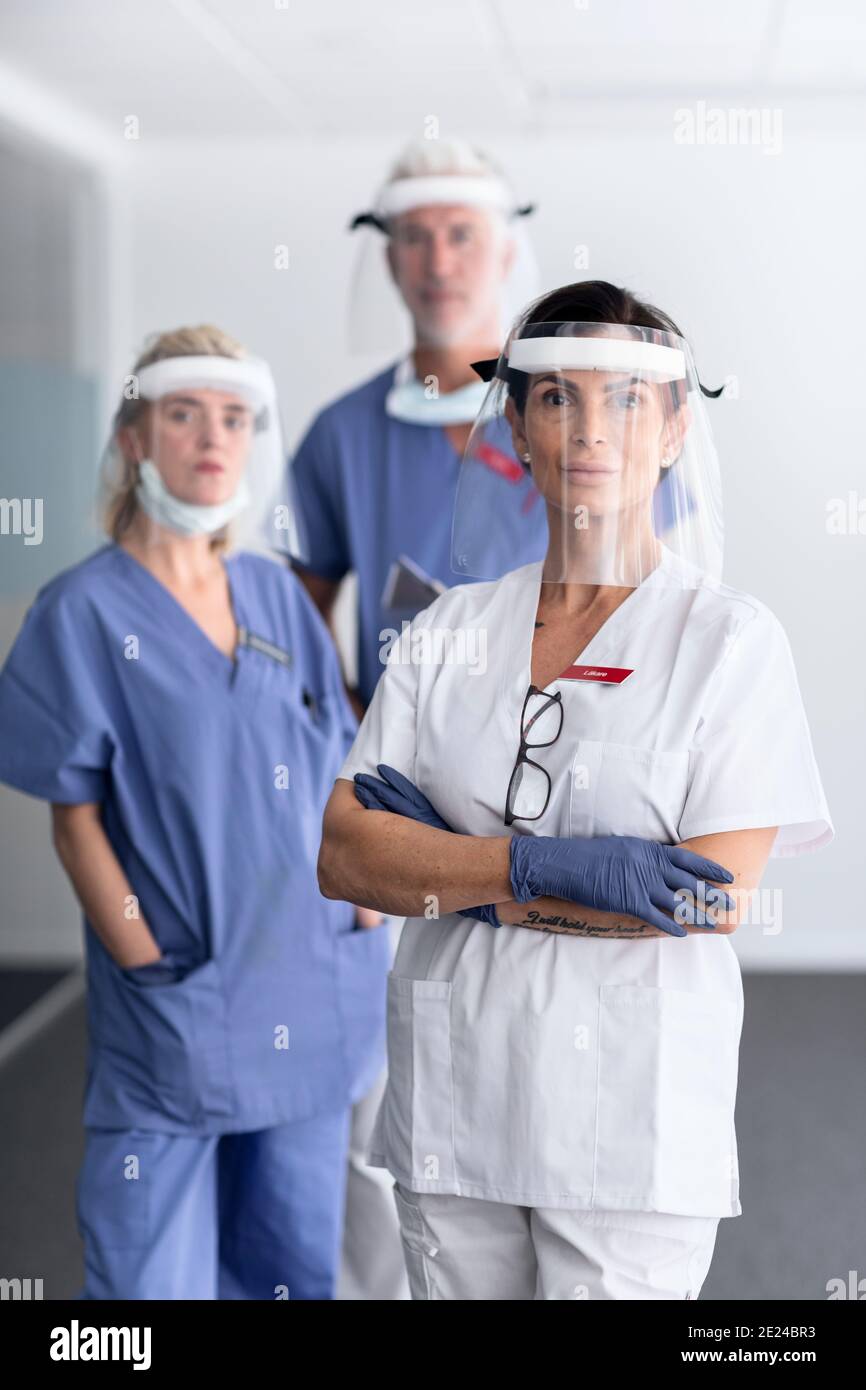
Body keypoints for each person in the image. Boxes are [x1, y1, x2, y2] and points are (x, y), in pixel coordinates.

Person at [317, 281, 835, 1300]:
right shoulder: (447, 630)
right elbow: (347, 856)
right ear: (516, 427)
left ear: (675, 429)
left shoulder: (728, 643)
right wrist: (542, 868)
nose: (592, 429)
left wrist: (458, 876)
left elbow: (706, 898)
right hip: (454, 1110)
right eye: (557, 397)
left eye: (627, 399)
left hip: (626, 1135)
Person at [0, 325, 389, 1300]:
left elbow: (340, 757)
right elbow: (75, 821)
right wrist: (145, 962)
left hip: (310, 984)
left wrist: (364, 910)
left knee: (289, 1265)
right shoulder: (82, 612)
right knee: (147, 1282)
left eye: (235, 417)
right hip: (179, 1000)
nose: (215, 438)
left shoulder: (273, 593)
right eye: (184, 413)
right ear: (134, 436)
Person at [288, 137, 547, 1299]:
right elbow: (294, 628)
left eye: (459, 234)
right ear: (386, 258)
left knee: (535, 1094)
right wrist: (351, 761)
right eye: (413, 237)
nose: (437, 259)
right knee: (379, 1111)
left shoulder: (568, 422)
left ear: (502, 249)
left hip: (545, 815)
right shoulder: (340, 437)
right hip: (391, 825)